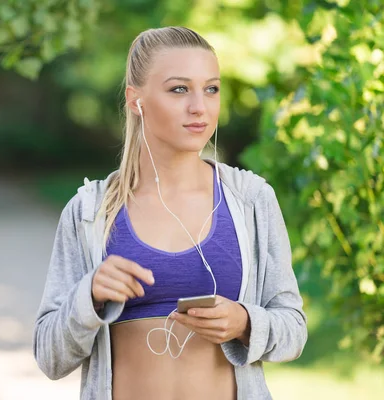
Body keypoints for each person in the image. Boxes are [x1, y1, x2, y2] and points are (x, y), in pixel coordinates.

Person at [33, 26, 307, 400]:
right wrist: (90, 296)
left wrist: (245, 322)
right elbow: (50, 357)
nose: (200, 106)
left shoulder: (251, 200)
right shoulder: (89, 213)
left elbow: (293, 328)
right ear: (136, 100)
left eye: (211, 89)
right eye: (179, 89)